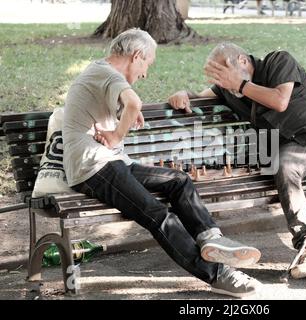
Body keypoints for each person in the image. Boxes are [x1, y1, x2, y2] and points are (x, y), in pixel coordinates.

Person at [62, 30, 262, 298]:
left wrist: (125, 117)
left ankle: (211, 239)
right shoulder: (106, 72)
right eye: (148, 64)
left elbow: (125, 105)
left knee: (179, 181)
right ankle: (218, 275)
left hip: (114, 163)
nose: (145, 73)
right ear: (137, 56)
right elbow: (133, 101)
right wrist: (117, 134)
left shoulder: (103, 73)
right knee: (157, 215)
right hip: (93, 168)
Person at [168, 43, 306, 281]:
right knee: (284, 167)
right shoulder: (228, 88)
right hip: (296, 147)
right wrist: (183, 94)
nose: (223, 83)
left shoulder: (278, 61)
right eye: (218, 78)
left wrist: (240, 84)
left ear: (243, 61)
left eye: (225, 74)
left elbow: (280, 100)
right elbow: (199, 97)